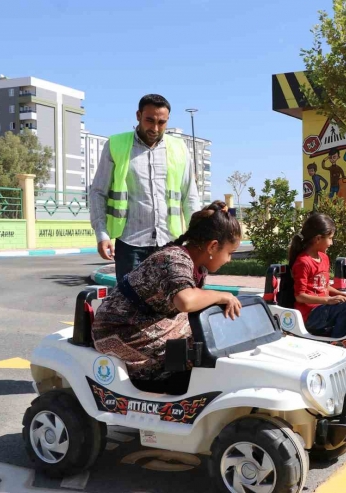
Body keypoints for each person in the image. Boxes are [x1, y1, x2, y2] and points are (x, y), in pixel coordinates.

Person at [92, 201, 241, 386]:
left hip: (151, 321)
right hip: (121, 330)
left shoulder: (197, 264)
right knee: (193, 352)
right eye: (230, 252)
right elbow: (185, 301)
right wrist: (222, 296)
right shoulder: (173, 259)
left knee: (213, 336)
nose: (229, 259)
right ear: (212, 246)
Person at [90, 94, 200, 284]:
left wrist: (197, 237)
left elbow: (190, 196)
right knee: (129, 306)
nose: (155, 128)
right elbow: (98, 192)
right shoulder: (116, 145)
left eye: (161, 122)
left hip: (170, 242)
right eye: (149, 120)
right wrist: (102, 234)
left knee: (171, 305)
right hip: (130, 245)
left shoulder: (179, 148)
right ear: (138, 115)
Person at [289, 213, 346, 338]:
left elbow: (325, 286)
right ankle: (337, 342)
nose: (331, 243)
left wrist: (342, 294)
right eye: (330, 238)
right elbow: (300, 297)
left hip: (323, 308)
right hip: (310, 314)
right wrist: (328, 300)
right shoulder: (303, 262)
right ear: (318, 239)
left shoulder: (324, 258)